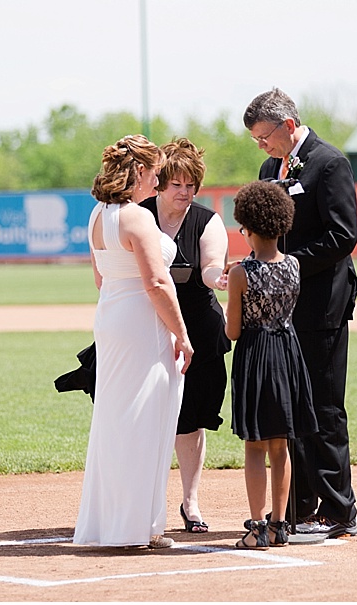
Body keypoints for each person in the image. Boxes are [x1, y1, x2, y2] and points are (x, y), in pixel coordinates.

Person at [244, 87, 357, 538]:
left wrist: (290, 265)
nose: (262, 146)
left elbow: (342, 236)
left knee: (326, 409)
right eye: (256, 139)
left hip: (322, 306)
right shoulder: (268, 168)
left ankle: (338, 511)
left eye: (264, 136)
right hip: (281, 310)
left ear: (288, 126)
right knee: (291, 411)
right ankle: (296, 508)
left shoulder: (329, 163)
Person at [73, 134, 193, 550]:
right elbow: (157, 282)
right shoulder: (137, 218)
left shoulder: (95, 216)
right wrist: (181, 332)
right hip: (141, 322)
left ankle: (124, 523)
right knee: (144, 420)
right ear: (139, 171)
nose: (159, 181)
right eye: (156, 172)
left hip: (112, 315)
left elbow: (99, 278)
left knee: (116, 420)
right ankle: (137, 526)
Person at [139, 137, 231, 534]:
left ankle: (190, 503)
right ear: (160, 183)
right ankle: (143, 504)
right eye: (177, 184)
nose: (185, 192)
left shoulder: (206, 220)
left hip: (198, 328)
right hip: (148, 326)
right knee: (149, 416)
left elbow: (211, 266)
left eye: (191, 185)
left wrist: (220, 278)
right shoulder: (138, 215)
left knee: (192, 420)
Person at [225, 180, 318, 549]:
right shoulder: (294, 265)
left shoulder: (240, 273)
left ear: (246, 227)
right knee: (281, 445)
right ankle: (280, 525)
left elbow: (233, 331)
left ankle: (257, 527)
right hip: (287, 353)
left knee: (255, 446)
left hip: (255, 355)